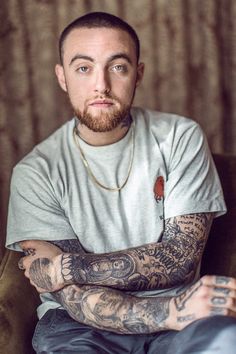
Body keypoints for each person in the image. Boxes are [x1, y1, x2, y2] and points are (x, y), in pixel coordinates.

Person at [6, 11, 236, 354]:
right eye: (83, 68)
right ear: (62, 77)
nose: (101, 84)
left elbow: (179, 259)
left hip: (183, 316)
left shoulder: (179, 137)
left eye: (118, 66)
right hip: (77, 325)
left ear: (137, 74)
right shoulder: (35, 173)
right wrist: (169, 312)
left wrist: (69, 266)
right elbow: (71, 294)